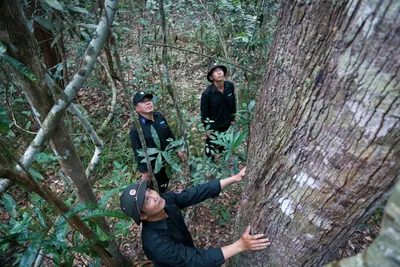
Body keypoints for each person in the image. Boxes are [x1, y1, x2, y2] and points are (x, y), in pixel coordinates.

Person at [120, 167, 270, 266]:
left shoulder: (166, 201)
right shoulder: (156, 244)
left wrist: (234, 178)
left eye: (149, 192)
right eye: (146, 201)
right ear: (143, 217)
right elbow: (195, 260)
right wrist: (240, 246)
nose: (154, 196)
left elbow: (195, 193)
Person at [129, 91, 184, 193]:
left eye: (149, 100)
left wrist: (177, 149)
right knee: (156, 189)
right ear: (137, 108)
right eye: (143, 102)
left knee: (166, 182)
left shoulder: (159, 116)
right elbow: (138, 153)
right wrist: (145, 172)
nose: (148, 103)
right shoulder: (136, 130)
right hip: (154, 166)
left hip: (167, 159)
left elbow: (169, 134)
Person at [200, 63, 237, 160]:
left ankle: (221, 161)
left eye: (220, 70)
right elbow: (204, 112)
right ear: (211, 77)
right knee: (210, 146)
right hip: (214, 125)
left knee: (224, 143)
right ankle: (209, 164)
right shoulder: (207, 93)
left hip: (227, 123)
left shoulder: (230, 86)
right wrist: (207, 129)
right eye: (215, 71)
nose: (219, 72)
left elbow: (233, 103)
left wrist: (233, 118)